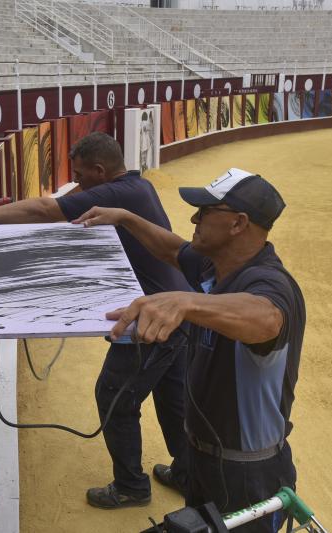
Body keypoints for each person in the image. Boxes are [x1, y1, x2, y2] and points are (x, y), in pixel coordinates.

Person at [0, 132, 191, 509]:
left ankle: (131, 487)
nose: (78, 184)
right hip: (179, 309)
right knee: (174, 398)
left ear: (100, 171)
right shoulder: (136, 186)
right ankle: (189, 474)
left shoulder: (117, 194)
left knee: (114, 396)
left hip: (152, 321)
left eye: (82, 176)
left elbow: (43, 210)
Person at [74, 168, 305, 532]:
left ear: (237, 224)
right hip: (201, 462)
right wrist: (126, 218)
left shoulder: (270, 285)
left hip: (246, 476)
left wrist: (186, 302)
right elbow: (171, 248)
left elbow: (268, 318)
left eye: (206, 211)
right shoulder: (220, 266)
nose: (195, 217)